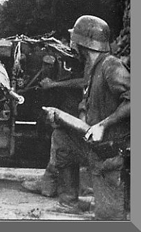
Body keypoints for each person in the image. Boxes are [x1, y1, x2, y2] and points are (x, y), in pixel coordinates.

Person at [42, 15, 130, 220]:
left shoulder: (110, 66)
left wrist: (103, 125)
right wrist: (76, 121)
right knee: (62, 137)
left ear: (82, 43)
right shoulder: (93, 68)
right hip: (95, 144)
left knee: (109, 218)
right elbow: (87, 104)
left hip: (110, 151)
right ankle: (69, 202)